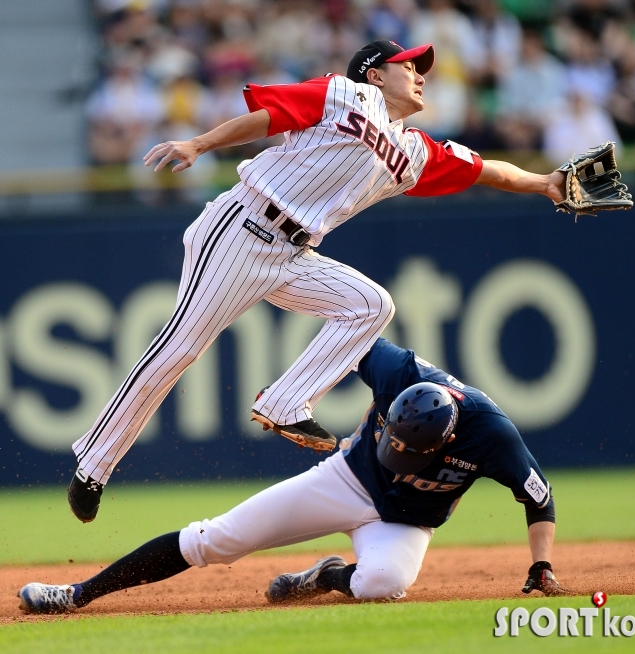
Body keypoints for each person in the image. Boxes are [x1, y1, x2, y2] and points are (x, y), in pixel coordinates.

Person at [68, 38, 568, 524]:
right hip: (242, 227)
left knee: (371, 304)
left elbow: (487, 170)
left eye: (422, 69)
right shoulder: (348, 93)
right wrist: (199, 143)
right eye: (408, 66)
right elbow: (272, 116)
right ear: (374, 74)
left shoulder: (413, 152)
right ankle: (93, 464)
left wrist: (543, 183)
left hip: (293, 251)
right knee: (180, 350)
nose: (419, 75)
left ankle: (285, 401)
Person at [19, 338, 568, 614]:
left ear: (448, 437)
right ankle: (76, 594)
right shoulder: (399, 372)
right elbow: (350, 338)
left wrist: (541, 565)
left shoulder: (491, 433)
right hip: (347, 480)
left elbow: (536, 498)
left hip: (406, 523)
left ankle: (325, 577)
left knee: (382, 585)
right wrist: (302, 395)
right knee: (219, 539)